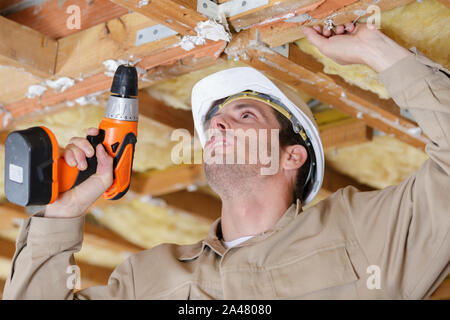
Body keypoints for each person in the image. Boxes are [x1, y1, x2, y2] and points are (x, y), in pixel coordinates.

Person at [3, 23, 449, 299]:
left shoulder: (366, 234)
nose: (216, 125)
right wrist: (61, 213)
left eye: (245, 114)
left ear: (291, 154)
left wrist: (377, 51)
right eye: (214, 119)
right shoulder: (146, 279)